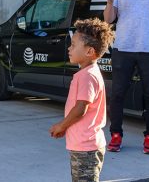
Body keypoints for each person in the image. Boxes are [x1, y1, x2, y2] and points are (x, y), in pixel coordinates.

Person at [104, 0, 149, 155]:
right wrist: (110, 1)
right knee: (117, 94)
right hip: (123, 49)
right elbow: (109, 19)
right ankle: (116, 135)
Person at [50, 18, 115, 182]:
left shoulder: (88, 76)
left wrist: (62, 125)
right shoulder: (87, 73)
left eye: (73, 45)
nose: (69, 48)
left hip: (86, 148)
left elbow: (80, 109)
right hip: (83, 145)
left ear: (89, 51)